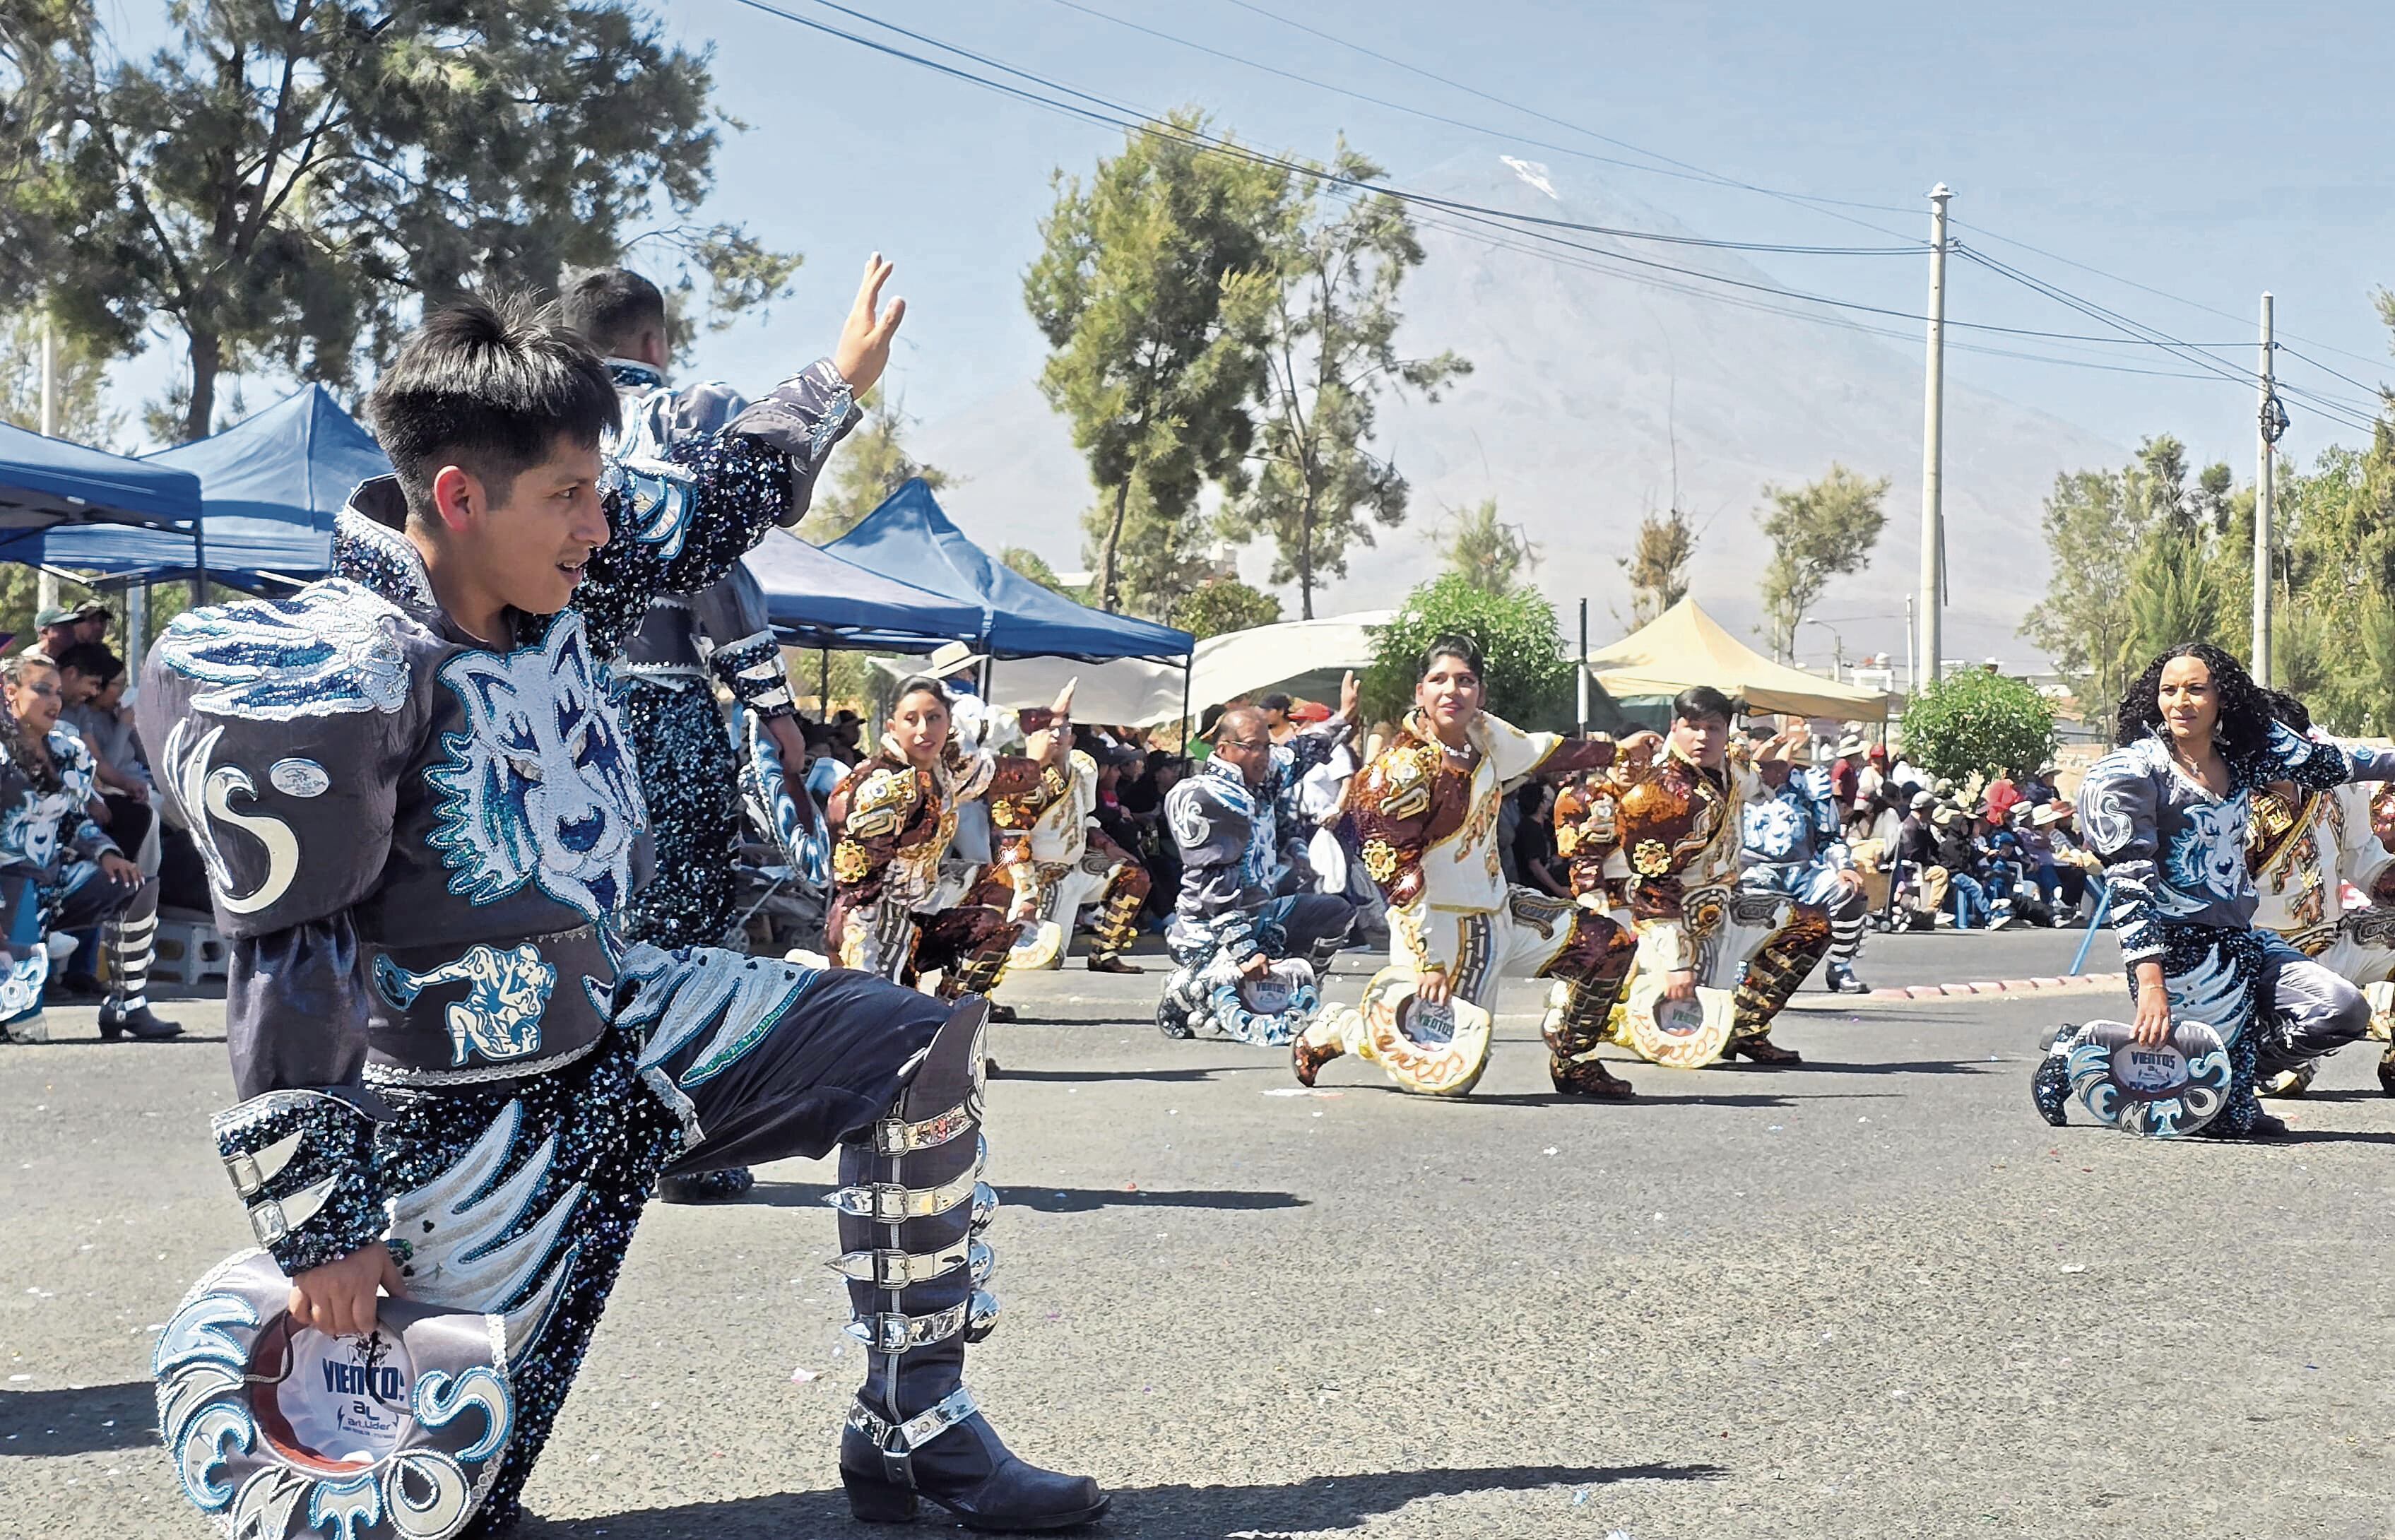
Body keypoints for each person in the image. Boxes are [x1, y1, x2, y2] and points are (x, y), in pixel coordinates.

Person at [139, 286, 1108, 1532]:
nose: (604, 528)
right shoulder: (339, 665)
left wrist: (838, 380)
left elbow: (712, 508)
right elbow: (292, 971)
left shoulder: (564, 571)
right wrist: (321, 1230)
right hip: (466, 1129)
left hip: (629, 1014)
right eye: (572, 498)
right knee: (432, 1509)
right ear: (457, 498)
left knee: (912, 1046)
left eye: (601, 494)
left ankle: (912, 1423)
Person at [561, 266, 822, 1204]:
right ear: (655, 344)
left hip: (549, 713)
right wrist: (771, 705)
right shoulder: (680, 416)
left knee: (574, 924)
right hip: (661, 709)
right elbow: (716, 569)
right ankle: (677, 1141)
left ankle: (577, 1138)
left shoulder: (535, 424)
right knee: (685, 924)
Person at [2030, 644, 2394, 1139]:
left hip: (2243, 939)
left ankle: (2234, 1078)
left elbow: (2331, 763)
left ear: (2223, 698)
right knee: (2221, 1123)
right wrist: (2152, 985)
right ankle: (2077, 1050)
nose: (2181, 701)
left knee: (2341, 1010)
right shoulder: (2131, 774)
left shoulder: (2240, 761)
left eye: (2196, 689)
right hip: (2178, 952)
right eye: (2169, 689)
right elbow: (2131, 890)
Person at [1291, 639, 1648, 1097]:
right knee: (1453, 1077)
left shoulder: (1486, 734)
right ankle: (1341, 1029)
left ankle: (1575, 1059)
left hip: (1502, 909)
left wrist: (1616, 752)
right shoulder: (1396, 773)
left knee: (1609, 947)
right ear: (1420, 692)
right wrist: (1429, 962)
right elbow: (1398, 878)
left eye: (1465, 681)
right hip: (1437, 928)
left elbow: (1543, 751)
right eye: (1439, 680)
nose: (1452, 691)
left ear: (1480, 693)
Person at [1595, 690, 1821, 1065]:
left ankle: (1746, 1030)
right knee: (1659, 1023)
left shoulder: (1732, 767)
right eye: (1692, 727)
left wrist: (1783, 761)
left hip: (1723, 909)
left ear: (1726, 732)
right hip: (1671, 923)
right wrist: (1675, 962)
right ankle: (1593, 1025)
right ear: (1675, 728)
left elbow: (1760, 784)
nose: (1702, 738)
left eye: (1712, 728)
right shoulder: (1658, 794)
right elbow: (1654, 892)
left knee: (1810, 925)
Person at [827, 675, 1071, 1021]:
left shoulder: (944, 768)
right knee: (877, 1030)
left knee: (995, 895)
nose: (924, 729)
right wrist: (864, 976)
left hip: (920, 911)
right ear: (893, 726)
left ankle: (951, 1014)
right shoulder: (879, 791)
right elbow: (858, 898)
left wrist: (1044, 725)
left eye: (934, 718)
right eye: (912, 720)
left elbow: (994, 773)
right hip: (873, 927)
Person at [1157, 703, 1359, 1043]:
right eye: (1254, 746)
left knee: (1335, 913)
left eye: (1267, 745)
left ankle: (1292, 996)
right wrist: (1246, 953)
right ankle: (1186, 990)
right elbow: (1215, 894)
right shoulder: (1207, 797)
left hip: (1261, 916)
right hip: (1210, 932)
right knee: (1228, 980)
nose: (1265, 755)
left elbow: (1300, 753)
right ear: (1224, 750)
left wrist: (1343, 717)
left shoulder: (1259, 778)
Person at [0, 651, 175, 1040]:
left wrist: (107, 853)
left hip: (53, 882)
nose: (54, 702)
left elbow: (74, 819)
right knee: (25, 1030)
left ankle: (126, 1006)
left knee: (138, 887)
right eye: (41, 690)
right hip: (8, 891)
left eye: (58, 692)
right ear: (9, 693)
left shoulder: (67, 751)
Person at [989, 742, 1150, 973]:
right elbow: (1011, 841)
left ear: (1072, 736)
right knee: (1044, 963)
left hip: (1075, 869)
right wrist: (1027, 892)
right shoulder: (1021, 779)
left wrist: (1107, 846)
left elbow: (1083, 820)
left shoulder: (1082, 768)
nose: (1056, 737)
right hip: (1039, 878)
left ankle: (1105, 953)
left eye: (1062, 728)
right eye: (1048, 730)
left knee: (1135, 876)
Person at [1739, 735, 1873, 997]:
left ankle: (1840, 966)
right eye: (1765, 764)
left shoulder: (1811, 786)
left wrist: (1844, 866)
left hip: (1802, 872)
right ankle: (1742, 966)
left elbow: (1829, 838)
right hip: (1753, 873)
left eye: (1779, 763)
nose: (1773, 771)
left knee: (1849, 893)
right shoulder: (1738, 784)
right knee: (1745, 903)